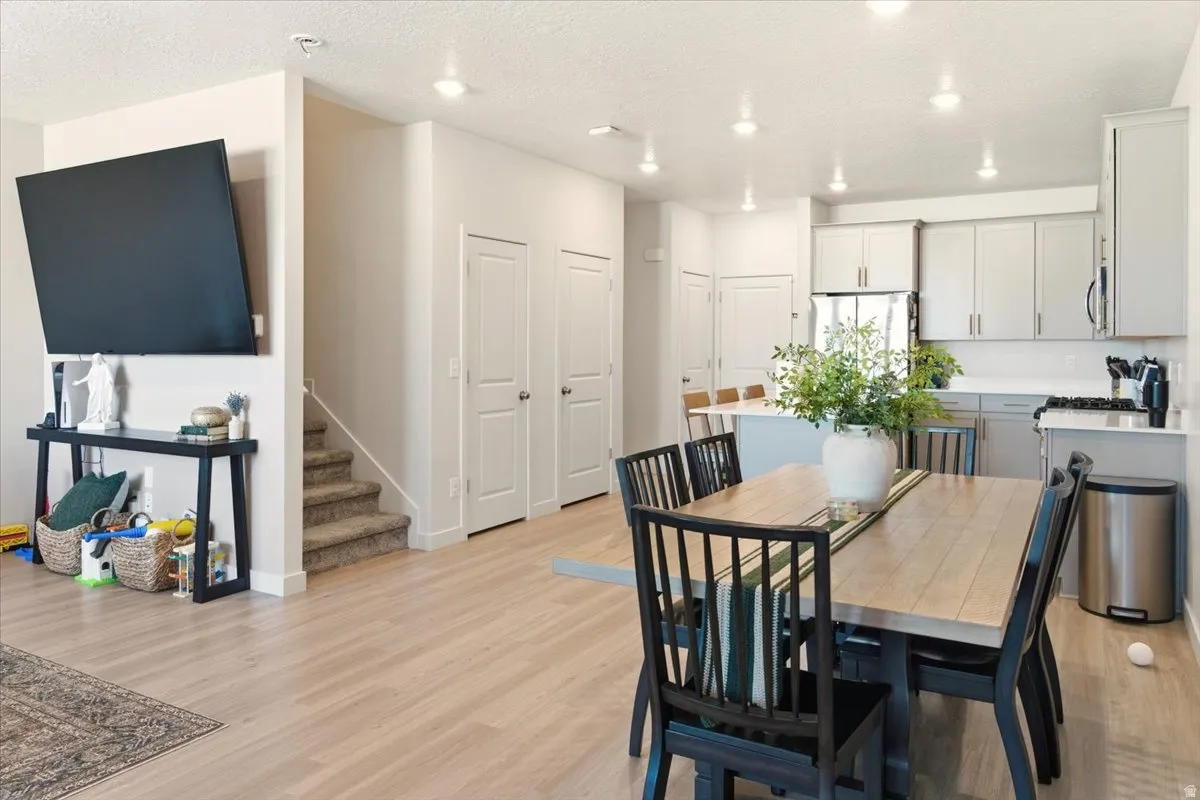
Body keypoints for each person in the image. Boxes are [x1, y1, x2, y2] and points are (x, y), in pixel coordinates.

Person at [73, 353, 115, 425]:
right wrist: (79, 382)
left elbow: (109, 376)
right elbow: (88, 377)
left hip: (102, 390)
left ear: (100, 359)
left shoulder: (105, 366)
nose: (96, 361)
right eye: (95, 360)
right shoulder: (93, 368)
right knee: (91, 402)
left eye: (97, 359)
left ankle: (102, 417)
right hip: (95, 389)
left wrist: (110, 381)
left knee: (103, 403)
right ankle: (90, 418)